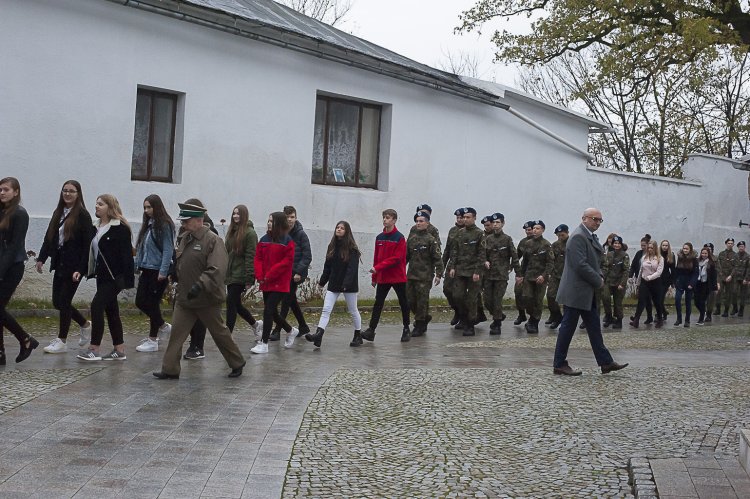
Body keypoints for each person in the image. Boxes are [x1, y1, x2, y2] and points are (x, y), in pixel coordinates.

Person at [153, 202, 246, 378]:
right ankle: (170, 369)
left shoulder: (213, 240)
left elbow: (217, 268)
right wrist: (174, 273)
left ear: (199, 220)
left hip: (206, 299)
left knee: (219, 333)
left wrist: (200, 285)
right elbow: (181, 261)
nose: (183, 224)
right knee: (177, 334)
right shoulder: (185, 238)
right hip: (185, 298)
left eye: (186, 221)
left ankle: (237, 362)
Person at [552, 207, 627, 376]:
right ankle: (559, 364)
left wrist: (598, 276)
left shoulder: (588, 236)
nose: (598, 223)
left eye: (600, 220)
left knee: (594, 328)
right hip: (576, 291)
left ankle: (606, 362)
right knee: (568, 328)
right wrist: (598, 279)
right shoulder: (578, 236)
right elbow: (580, 264)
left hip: (587, 292)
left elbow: (593, 261)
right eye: (595, 219)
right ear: (584, 218)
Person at [36, 180, 95, 354]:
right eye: (65, 191)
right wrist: (41, 258)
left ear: (78, 194)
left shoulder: (83, 215)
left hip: (74, 266)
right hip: (60, 263)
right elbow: (49, 237)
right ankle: (84, 324)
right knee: (57, 302)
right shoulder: (58, 212)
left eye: (72, 191)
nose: (67, 194)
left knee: (64, 301)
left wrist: (81, 268)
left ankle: (62, 340)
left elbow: (87, 246)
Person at [77, 194, 134, 361]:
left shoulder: (120, 228)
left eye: (100, 204)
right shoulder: (95, 227)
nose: (96, 206)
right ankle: (119, 349)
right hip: (100, 275)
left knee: (96, 306)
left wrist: (127, 280)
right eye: (96, 203)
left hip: (114, 277)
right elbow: (90, 253)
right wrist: (81, 270)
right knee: (112, 311)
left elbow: (126, 256)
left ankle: (94, 349)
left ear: (110, 207)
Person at [306, 221, 362, 348]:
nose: (339, 229)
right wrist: (322, 282)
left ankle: (358, 334)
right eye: (337, 227)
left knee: (353, 310)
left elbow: (352, 269)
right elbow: (328, 267)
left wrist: (346, 284)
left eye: (342, 228)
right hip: (334, 283)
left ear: (347, 231)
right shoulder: (331, 246)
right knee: (326, 309)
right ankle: (318, 335)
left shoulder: (352, 249)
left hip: (349, 285)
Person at [0, 177, 37, 365]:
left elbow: (14, 246)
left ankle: (25, 339)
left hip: (12, 267)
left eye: (6, 189)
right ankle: (1, 352)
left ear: (16, 192)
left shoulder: (20, 214)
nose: (2, 192)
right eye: (0, 189)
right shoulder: (2, 211)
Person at [250, 212, 298, 354]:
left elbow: (286, 263)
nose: (269, 223)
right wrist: (259, 275)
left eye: (272, 221)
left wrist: (269, 274)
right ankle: (290, 330)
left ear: (279, 223)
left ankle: (264, 343)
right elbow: (258, 258)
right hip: (266, 281)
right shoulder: (264, 239)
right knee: (272, 312)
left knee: (268, 311)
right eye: (268, 221)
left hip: (280, 282)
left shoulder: (287, 241)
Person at [361, 209, 411, 342]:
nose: (385, 220)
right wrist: (374, 277)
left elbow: (396, 258)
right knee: (378, 303)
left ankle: (406, 328)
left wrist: (377, 268)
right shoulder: (379, 238)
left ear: (394, 220)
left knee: (403, 302)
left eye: (388, 218)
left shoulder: (399, 238)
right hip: (383, 277)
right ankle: (371, 330)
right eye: (384, 217)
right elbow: (377, 258)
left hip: (397, 276)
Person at [134, 194, 175, 353]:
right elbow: (142, 246)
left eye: (149, 207)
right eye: (145, 207)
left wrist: (163, 271)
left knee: (151, 302)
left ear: (157, 207)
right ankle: (162, 327)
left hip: (158, 270)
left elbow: (168, 249)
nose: (146, 210)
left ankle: (153, 338)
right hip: (147, 268)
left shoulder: (164, 224)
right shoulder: (149, 224)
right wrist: (138, 263)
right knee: (141, 301)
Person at [182, 198, 219, 360]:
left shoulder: (210, 233)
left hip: (202, 281)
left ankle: (198, 345)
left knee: (204, 318)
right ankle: (191, 344)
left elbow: (214, 261)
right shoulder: (185, 230)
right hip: (186, 281)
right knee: (186, 315)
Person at [271, 206, 311, 340]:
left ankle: (277, 330)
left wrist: (299, 272)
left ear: (296, 218)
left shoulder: (301, 234)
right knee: (291, 300)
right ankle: (303, 326)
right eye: (287, 217)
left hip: (295, 274)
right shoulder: (280, 233)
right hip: (283, 272)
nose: (290, 220)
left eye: (292, 217)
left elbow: (307, 256)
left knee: (286, 301)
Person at [446, 208, 486, 336]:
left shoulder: (479, 234)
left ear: (474, 218)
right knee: (457, 296)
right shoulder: (460, 233)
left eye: (468, 217)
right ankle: (463, 317)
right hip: (460, 270)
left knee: (472, 299)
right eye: (464, 217)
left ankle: (470, 324)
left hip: (473, 272)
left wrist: (477, 271)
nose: (465, 220)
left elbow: (481, 253)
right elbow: (455, 251)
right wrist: (452, 267)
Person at [405, 210, 443, 337]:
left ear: (427, 223)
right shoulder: (412, 239)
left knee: (422, 301)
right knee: (409, 300)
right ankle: (424, 317)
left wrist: (438, 274)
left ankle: (420, 324)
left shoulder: (431, 240)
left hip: (425, 276)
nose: (418, 223)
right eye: (416, 221)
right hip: (411, 274)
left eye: (421, 221)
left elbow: (437, 258)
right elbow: (405, 257)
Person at [224, 204, 259, 335]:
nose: (235, 216)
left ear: (244, 215)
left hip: (241, 275)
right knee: (236, 304)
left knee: (230, 301)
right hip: (231, 274)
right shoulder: (232, 231)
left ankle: (227, 334)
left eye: (238, 213)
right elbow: (226, 252)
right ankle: (255, 325)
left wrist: (250, 278)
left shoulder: (250, 233)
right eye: (234, 213)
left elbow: (251, 256)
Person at [483, 213, 520, 335]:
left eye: (497, 222)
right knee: (487, 300)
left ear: (503, 224)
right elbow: (483, 254)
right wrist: (485, 261)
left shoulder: (507, 239)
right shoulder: (488, 239)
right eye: (493, 223)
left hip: (501, 275)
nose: (495, 225)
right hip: (489, 275)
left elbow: (514, 257)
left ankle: (497, 323)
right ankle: (499, 315)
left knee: (497, 300)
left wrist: (518, 273)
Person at [518, 220, 553, 334]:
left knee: (538, 301)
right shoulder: (528, 243)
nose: (535, 230)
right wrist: (521, 275)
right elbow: (525, 261)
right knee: (527, 298)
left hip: (540, 278)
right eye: (534, 228)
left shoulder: (546, 244)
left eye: (538, 228)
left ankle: (534, 322)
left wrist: (544, 275)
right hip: (529, 276)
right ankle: (531, 317)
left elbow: (550, 263)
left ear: (542, 230)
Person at [629, 240, 666, 328]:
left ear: (655, 248)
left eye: (651, 248)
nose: (649, 249)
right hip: (644, 281)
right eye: (648, 248)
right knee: (641, 300)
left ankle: (660, 319)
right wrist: (638, 283)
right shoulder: (644, 257)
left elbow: (659, 272)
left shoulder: (660, 258)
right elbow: (641, 270)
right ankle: (636, 320)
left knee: (657, 301)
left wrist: (650, 277)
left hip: (655, 282)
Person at [601, 235, 630, 329]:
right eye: (615, 243)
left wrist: (622, 283)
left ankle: (619, 320)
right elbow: (605, 267)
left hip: (619, 282)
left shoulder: (624, 255)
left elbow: (626, 270)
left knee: (618, 303)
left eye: (618, 243)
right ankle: (609, 316)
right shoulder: (609, 254)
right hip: (608, 281)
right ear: (612, 244)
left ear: (621, 245)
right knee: (605, 298)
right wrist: (602, 278)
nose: (617, 245)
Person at [442, 208, 465, 326]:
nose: (460, 220)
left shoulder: (471, 232)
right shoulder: (452, 230)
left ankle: (463, 316)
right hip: (451, 265)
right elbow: (447, 249)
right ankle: (457, 311)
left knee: (459, 294)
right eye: (458, 218)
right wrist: (442, 265)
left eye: (462, 217)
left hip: (463, 266)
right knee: (447, 289)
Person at [546, 224, 568, 329]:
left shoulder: (572, 243)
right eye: (558, 235)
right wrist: (549, 273)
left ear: (567, 233)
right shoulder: (555, 245)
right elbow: (551, 259)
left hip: (568, 276)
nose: (560, 237)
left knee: (568, 300)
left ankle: (568, 320)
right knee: (550, 296)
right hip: (555, 275)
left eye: (562, 235)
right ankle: (557, 316)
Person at [629, 235, 654, 324]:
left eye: (644, 245)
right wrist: (630, 275)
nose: (643, 247)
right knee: (646, 299)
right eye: (641, 245)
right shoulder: (639, 253)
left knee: (642, 299)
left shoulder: (652, 255)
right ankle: (650, 317)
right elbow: (634, 264)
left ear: (648, 245)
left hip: (650, 280)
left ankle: (637, 319)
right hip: (641, 278)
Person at [513, 221, 535, 325]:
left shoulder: (540, 243)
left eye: (529, 229)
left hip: (535, 272)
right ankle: (521, 314)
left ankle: (532, 317)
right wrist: (514, 269)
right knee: (518, 292)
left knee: (530, 296)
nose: (528, 232)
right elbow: (517, 257)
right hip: (523, 271)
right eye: (526, 230)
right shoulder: (523, 242)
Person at [673, 243, 698, 327]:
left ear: (690, 249)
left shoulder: (694, 259)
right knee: (677, 299)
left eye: (687, 249)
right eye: (684, 248)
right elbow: (677, 270)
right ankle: (679, 318)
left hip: (689, 281)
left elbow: (695, 273)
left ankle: (687, 320)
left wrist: (692, 283)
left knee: (688, 302)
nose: (685, 250)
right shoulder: (680, 257)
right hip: (680, 281)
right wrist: (675, 281)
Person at [694, 245, 718, 325]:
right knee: (696, 302)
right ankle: (703, 311)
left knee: (702, 301)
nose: (704, 255)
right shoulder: (697, 261)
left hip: (706, 284)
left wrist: (715, 287)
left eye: (706, 253)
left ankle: (701, 319)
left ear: (708, 254)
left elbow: (714, 276)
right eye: (703, 253)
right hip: (698, 283)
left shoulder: (711, 263)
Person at [716, 238, 739, 317]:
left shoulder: (735, 255)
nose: (730, 244)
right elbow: (718, 265)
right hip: (721, 276)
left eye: (731, 243)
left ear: (733, 245)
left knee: (728, 294)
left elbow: (736, 267)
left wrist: (731, 276)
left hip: (730, 277)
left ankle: (726, 311)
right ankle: (718, 309)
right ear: (726, 244)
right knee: (719, 292)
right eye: (728, 243)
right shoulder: (721, 253)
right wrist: (721, 274)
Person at [659, 240, 675, 321]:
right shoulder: (658, 254)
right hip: (657, 279)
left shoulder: (671, 255)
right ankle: (664, 312)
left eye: (666, 245)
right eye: (663, 245)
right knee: (657, 298)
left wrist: (672, 282)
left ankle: (660, 314)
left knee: (660, 298)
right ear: (661, 246)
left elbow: (673, 270)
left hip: (666, 280)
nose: (665, 247)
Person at [703, 243, 718, 322]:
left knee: (710, 299)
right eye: (706, 249)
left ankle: (708, 314)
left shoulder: (715, 259)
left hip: (711, 282)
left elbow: (718, 271)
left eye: (710, 249)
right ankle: (703, 312)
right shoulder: (700, 259)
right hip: (702, 282)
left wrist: (717, 283)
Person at [738, 241, 749, 317]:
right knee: (733, 292)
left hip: (744, 278)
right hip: (735, 278)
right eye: (740, 246)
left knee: (743, 295)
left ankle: (741, 310)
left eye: (742, 246)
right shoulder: (735, 255)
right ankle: (735, 307)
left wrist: (747, 278)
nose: (741, 248)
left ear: (745, 247)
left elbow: (748, 268)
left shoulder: (748, 256)